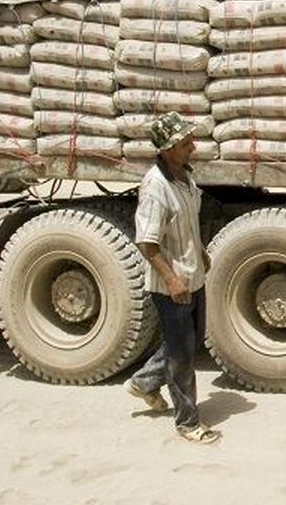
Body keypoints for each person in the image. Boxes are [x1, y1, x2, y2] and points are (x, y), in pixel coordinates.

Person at [123, 111, 220, 444]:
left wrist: (201, 251)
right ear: (166, 150)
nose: (192, 146)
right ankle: (188, 422)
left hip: (193, 275)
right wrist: (173, 280)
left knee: (187, 344)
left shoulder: (185, 177)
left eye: (190, 140)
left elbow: (186, 224)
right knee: (182, 356)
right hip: (172, 286)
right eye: (184, 143)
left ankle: (145, 382)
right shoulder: (155, 187)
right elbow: (147, 243)